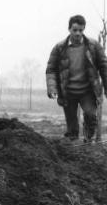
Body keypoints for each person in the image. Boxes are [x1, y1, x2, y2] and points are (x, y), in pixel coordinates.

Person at [46, 14, 107, 142]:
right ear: (69, 29)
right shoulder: (60, 48)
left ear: (83, 29)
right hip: (68, 92)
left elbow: (104, 67)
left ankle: (87, 141)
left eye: (81, 30)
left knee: (91, 117)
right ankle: (72, 151)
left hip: (88, 91)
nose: (78, 33)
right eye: (75, 30)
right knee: (72, 125)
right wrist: (53, 89)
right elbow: (51, 69)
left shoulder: (93, 46)